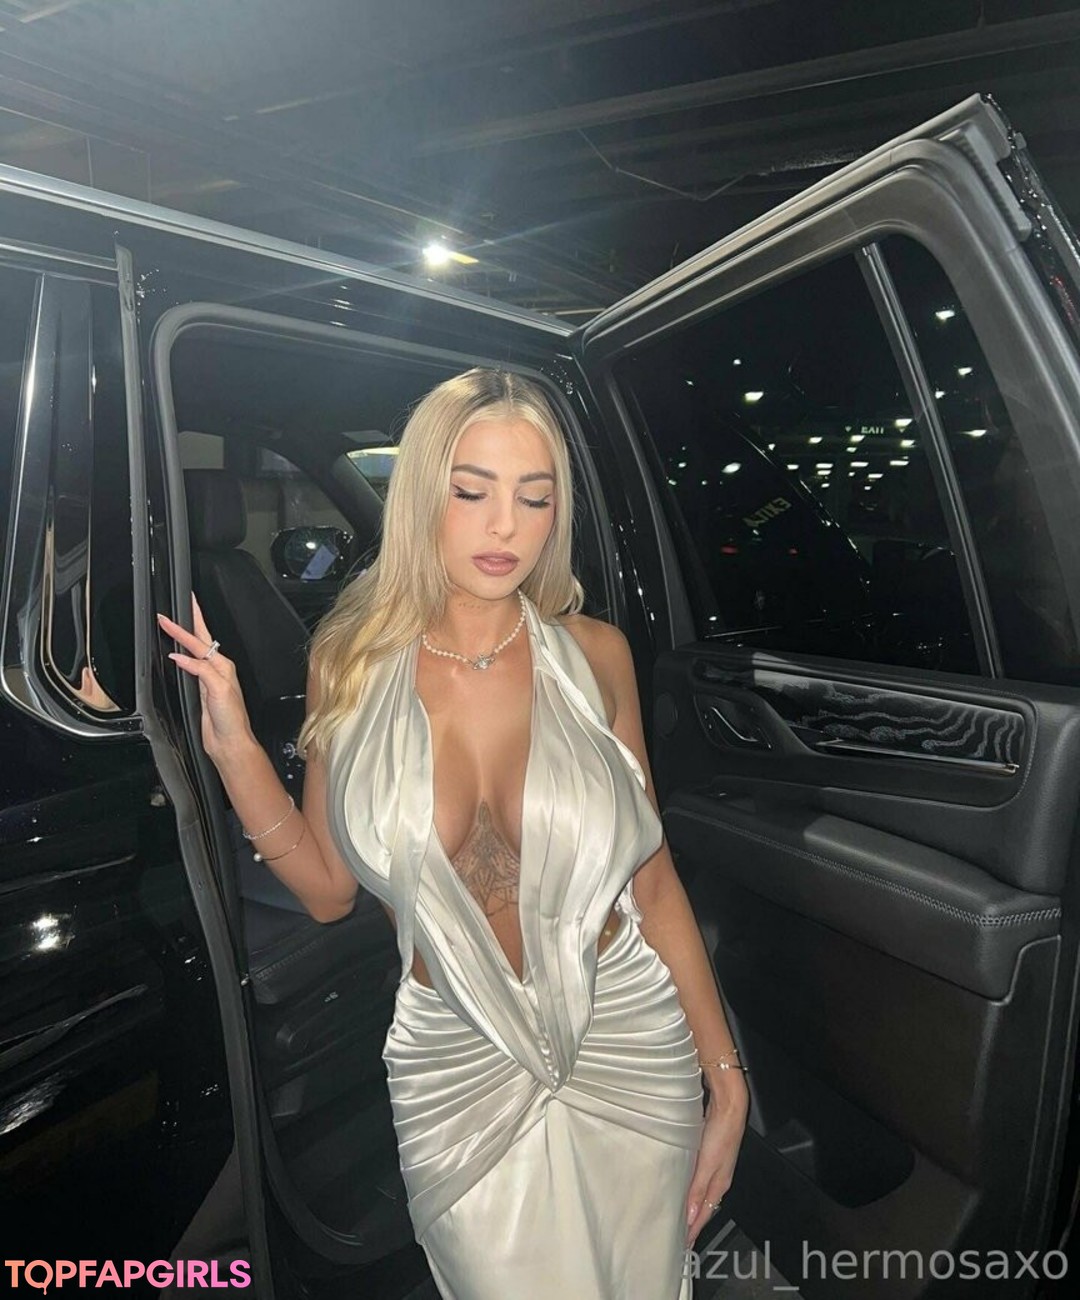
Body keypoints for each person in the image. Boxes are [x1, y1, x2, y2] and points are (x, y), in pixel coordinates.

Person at [157, 368, 749, 1299]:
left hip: (627, 1039)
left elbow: (654, 881)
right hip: (457, 1067)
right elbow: (328, 892)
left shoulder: (597, 655)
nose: (504, 526)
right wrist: (233, 749)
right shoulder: (348, 663)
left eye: (534, 498)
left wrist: (726, 1075)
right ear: (422, 499)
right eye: (472, 492)